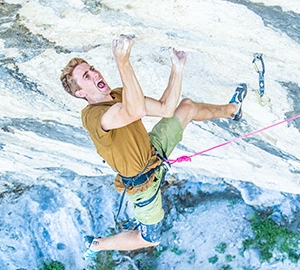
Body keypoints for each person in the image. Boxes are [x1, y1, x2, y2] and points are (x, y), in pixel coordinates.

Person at [60, 34, 247, 256]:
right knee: (149, 238)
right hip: (143, 184)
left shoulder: (118, 94)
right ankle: (98, 244)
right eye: (86, 76)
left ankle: (232, 110)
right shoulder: (92, 117)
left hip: (153, 152)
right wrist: (123, 62)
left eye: (92, 69)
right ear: (81, 93)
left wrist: (177, 69)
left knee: (186, 107)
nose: (95, 74)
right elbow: (134, 111)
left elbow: (165, 108)